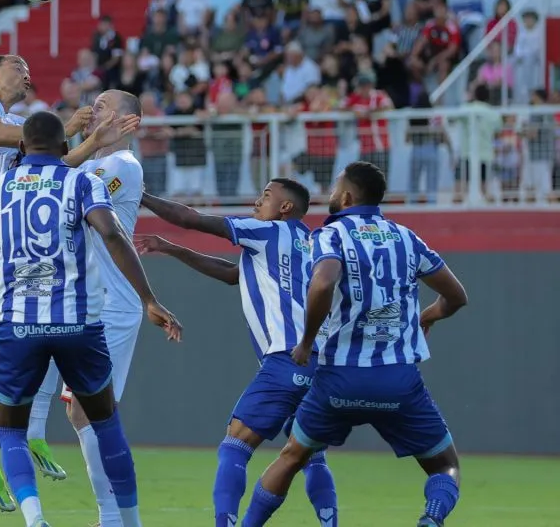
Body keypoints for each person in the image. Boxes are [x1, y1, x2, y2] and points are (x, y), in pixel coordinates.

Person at [0, 54, 140, 510]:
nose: (27, 74)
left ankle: (26, 436)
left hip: (1, 243)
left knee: (29, 336)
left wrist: (79, 137)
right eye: (17, 67)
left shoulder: (22, 126)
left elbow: (53, 166)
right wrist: (64, 127)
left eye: (28, 68)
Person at [0, 111, 182, 527]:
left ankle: (35, 518)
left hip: (19, 326)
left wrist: (15, 271)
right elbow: (112, 234)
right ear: (64, 149)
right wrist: (148, 297)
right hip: (78, 323)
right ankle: (128, 522)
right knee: (105, 421)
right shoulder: (81, 181)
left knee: (10, 431)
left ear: (21, 148)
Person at [241, 162, 468, 527]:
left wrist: (307, 341)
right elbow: (456, 296)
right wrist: (428, 317)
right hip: (398, 381)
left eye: (335, 187)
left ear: (346, 196)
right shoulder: (407, 238)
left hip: (338, 380)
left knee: (291, 457)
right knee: (446, 466)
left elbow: (323, 282)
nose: (331, 193)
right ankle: (432, 517)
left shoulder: (329, 236)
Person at [138, 179, 340, 527]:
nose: (256, 204)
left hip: (285, 359)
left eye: (265, 196)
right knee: (310, 453)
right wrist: (172, 249)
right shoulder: (311, 241)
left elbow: (192, 218)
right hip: (323, 364)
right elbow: (235, 275)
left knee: (235, 447)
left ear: (285, 207)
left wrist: (138, 194)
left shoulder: (267, 232)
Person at [56, 89, 147, 527]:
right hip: (87, 302)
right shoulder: (92, 160)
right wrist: (77, 137)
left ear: (130, 123)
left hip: (113, 304)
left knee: (91, 409)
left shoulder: (122, 167)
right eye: (94, 105)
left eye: (105, 107)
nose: (95, 111)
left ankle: (114, 516)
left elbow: (59, 189)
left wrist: (78, 143)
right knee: (82, 409)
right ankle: (114, 514)